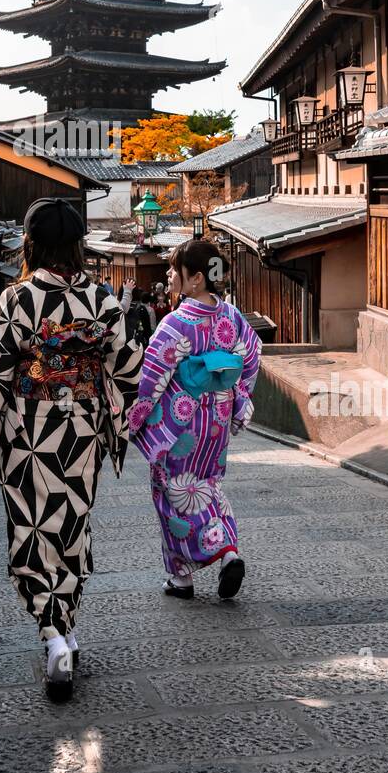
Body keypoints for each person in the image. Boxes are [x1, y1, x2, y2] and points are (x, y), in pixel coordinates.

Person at [0, 197, 142, 701]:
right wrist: (113, 412)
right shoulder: (102, 300)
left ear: (30, 244)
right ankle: (67, 626)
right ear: (78, 245)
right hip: (79, 431)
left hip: (26, 433)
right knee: (72, 522)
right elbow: (127, 368)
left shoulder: (17, 300)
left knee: (31, 528)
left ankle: (53, 633)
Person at [127, 239, 261, 602]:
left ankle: (183, 576)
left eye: (175, 269)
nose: (169, 274)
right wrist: (239, 397)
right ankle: (228, 551)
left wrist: (132, 421)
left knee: (173, 491)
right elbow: (251, 355)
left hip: (179, 423)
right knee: (208, 485)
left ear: (197, 278)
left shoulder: (177, 323)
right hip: (216, 420)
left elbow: (152, 378)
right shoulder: (232, 316)